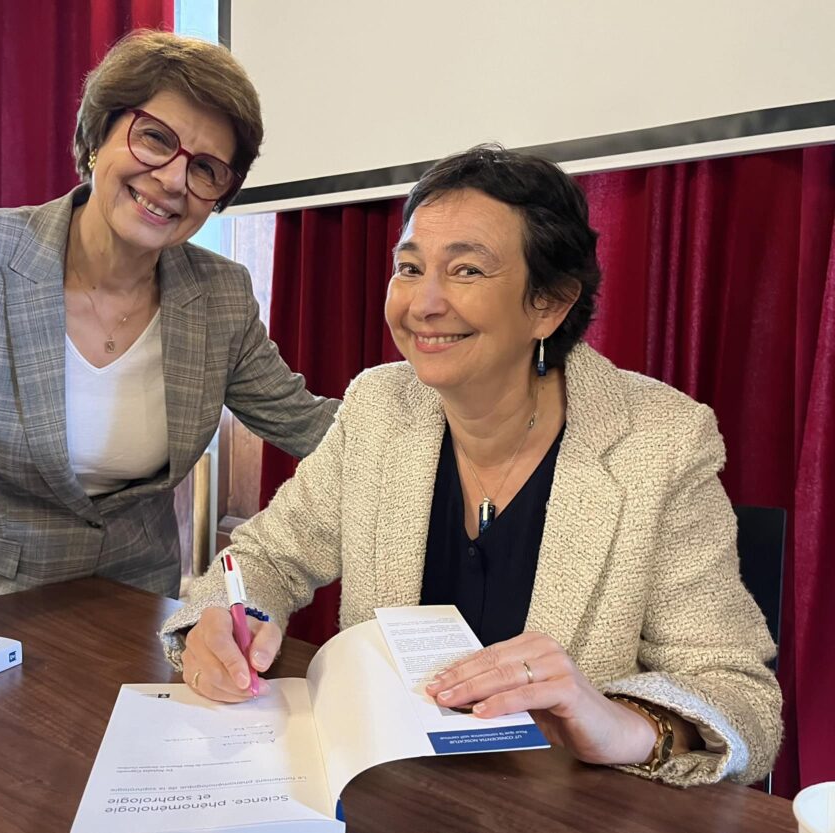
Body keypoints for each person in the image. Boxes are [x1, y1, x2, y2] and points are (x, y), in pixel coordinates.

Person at [160, 145, 782, 787]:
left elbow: (742, 701)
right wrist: (233, 617)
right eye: (409, 268)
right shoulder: (380, 406)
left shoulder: (660, 441)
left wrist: (612, 721)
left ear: (550, 303)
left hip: (557, 807)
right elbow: (266, 557)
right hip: (394, 790)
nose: (423, 303)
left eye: (466, 271)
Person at [0, 30, 338, 671]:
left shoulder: (221, 295)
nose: (173, 179)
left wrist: (458, 417)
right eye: (154, 137)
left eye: (206, 169)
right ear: (96, 138)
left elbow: (309, 423)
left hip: (130, 611)